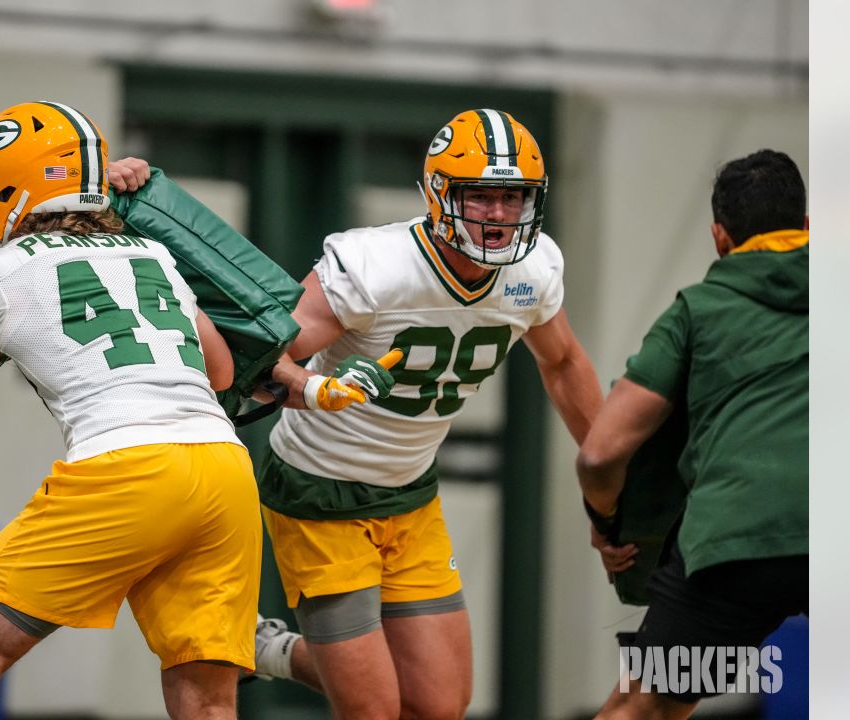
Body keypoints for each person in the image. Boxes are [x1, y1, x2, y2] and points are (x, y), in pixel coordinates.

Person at [0, 101, 372, 720]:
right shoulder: (151, 254)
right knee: (207, 696)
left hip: (125, 466)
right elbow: (220, 372)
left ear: (10, 184)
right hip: (222, 468)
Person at [252, 108, 604, 720]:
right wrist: (313, 390)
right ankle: (265, 647)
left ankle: (270, 647)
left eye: (513, 198)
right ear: (441, 194)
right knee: (374, 711)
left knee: (439, 706)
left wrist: (607, 478)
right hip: (319, 492)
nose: (498, 215)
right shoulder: (374, 267)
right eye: (481, 196)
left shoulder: (535, 269)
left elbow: (565, 363)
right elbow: (260, 363)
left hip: (411, 491)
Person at [577, 149, 808, 719]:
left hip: (734, 548)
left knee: (644, 706)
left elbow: (601, 453)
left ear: (719, 237)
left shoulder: (698, 311)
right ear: (807, 228)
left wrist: (609, 523)